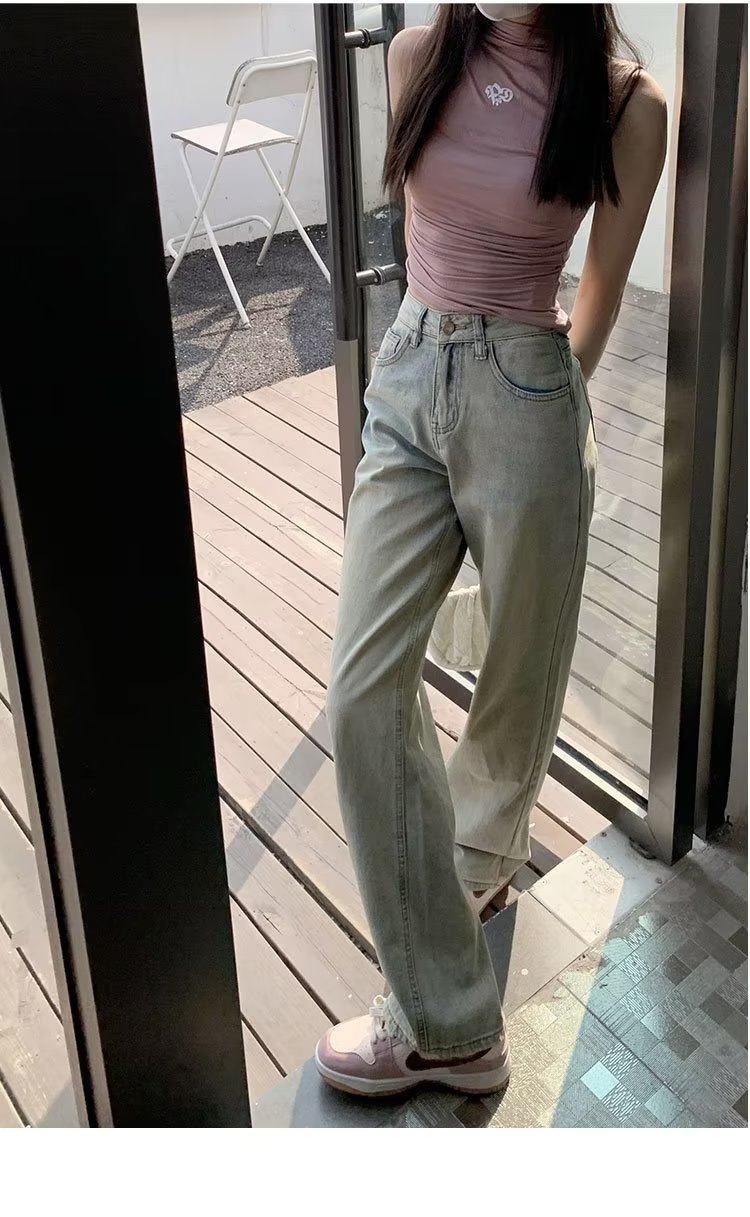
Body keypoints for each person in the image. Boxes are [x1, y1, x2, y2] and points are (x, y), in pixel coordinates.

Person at [315, 3, 667, 1099]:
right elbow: (422, 232)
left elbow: (601, 283)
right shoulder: (417, 55)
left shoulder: (626, 105)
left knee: (517, 682)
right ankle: (454, 1010)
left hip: (529, 381)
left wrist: (542, 402)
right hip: (410, 371)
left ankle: (465, 925)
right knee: (363, 690)